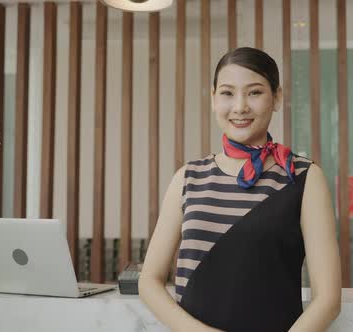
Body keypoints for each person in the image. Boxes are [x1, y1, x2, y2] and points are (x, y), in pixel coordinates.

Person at [139, 47, 341, 332]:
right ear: (213, 99)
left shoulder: (304, 176)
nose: (240, 107)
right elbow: (149, 280)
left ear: (277, 98)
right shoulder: (188, 177)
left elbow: (329, 299)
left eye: (255, 92)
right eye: (227, 93)